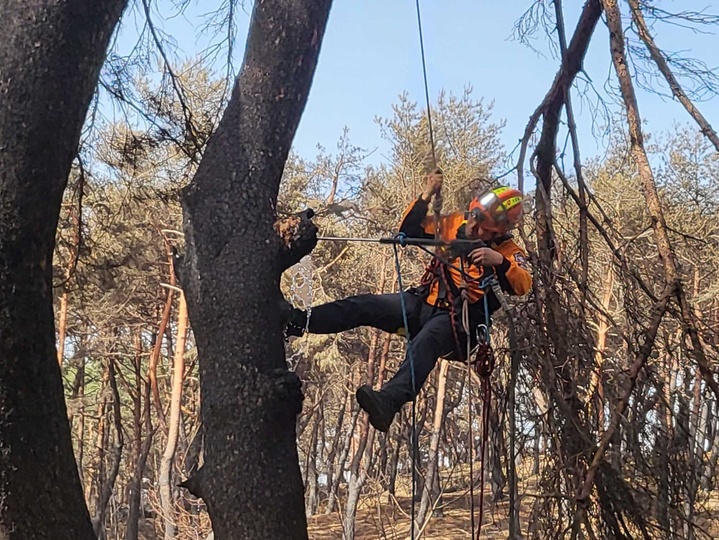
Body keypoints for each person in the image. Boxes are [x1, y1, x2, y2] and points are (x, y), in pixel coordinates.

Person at [285, 170, 532, 432]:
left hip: (458, 324)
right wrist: (426, 195)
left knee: (426, 343)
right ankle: (297, 322)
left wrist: (500, 262)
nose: (473, 227)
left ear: (498, 232)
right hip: (422, 303)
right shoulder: (453, 223)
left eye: (483, 228)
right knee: (365, 305)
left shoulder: (507, 252)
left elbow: (524, 283)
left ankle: (388, 402)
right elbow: (410, 230)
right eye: (473, 219)